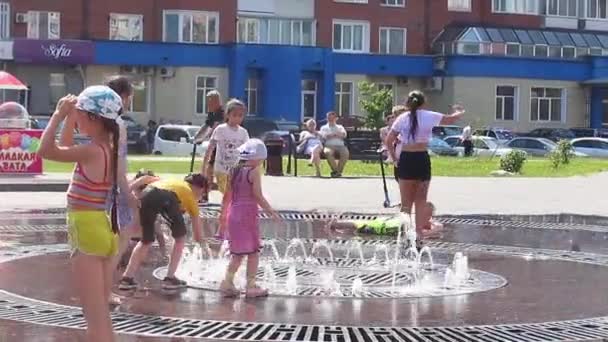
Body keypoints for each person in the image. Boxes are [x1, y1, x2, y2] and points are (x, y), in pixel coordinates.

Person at [37, 86, 124, 342]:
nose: (77, 120)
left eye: (81, 115)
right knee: (101, 316)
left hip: (87, 231)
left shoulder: (92, 151)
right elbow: (65, 145)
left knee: (94, 318)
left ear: (94, 119)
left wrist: (57, 115)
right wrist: (71, 117)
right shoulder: (105, 147)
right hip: (100, 228)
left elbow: (46, 151)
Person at [385, 90, 464, 246]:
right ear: (424, 103)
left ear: (407, 103)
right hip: (422, 158)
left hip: (406, 159)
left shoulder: (402, 118)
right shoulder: (429, 116)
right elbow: (451, 119)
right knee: (421, 200)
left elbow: (389, 140)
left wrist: (395, 159)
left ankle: (405, 235)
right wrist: (459, 111)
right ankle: (419, 235)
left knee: (406, 203)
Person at [118, 173, 207, 291]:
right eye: (202, 194)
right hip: (166, 197)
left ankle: (126, 279)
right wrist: (204, 247)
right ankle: (170, 279)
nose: (200, 197)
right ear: (198, 188)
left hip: (146, 194)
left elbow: (145, 178)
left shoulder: (170, 181)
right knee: (180, 239)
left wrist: (127, 191)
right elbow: (198, 234)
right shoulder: (190, 196)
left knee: (146, 240)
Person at [218, 139, 279, 298]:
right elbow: (258, 196)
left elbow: (227, 195)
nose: (261, 162)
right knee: (253, 253)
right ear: (255, 157)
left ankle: (227, 282)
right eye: (261, 159)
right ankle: (251, 286)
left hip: (234, 213)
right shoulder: (254, 171)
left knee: (237, 253)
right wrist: (271, 211)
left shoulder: (234, 170)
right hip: (247, 215)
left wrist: (223, 216)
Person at [204, 99, 249, 196]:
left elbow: (247, 151)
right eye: (234, 115)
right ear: (228, 115)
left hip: (237, 170)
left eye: (240, 116)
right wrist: (205, 166)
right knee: (227, 193)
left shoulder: (243, 132)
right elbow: (210, 147)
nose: (237, 118)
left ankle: (229, 210)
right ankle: (227, 210)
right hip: (221, 169)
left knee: (233, 194)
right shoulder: (221, 129)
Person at [195, 90, 225, 195]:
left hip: (223, 145)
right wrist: (196, 136)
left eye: (210, 101)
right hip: (216, 144)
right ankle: (207, 189)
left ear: (216, 101)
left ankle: (207, 189)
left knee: (210, 167)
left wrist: (202, 139)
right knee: (209, 167)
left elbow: (214, 128)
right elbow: (206, 125)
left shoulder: (222, 113)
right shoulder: (212, 113)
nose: (208, 104)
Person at [319, 111, 349, 178]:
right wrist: (335, 134)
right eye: (329, 118)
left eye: (332, 118)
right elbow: (324, 136)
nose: (330, 119)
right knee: (327, 152)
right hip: (329, 146)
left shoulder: (340, 127)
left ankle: (337, 172)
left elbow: (344, 135)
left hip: (341, 146)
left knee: (346, 153)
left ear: (336, 119)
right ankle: (337, 171)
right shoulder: (324, 127)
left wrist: (333, 135)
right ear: (327, 118)